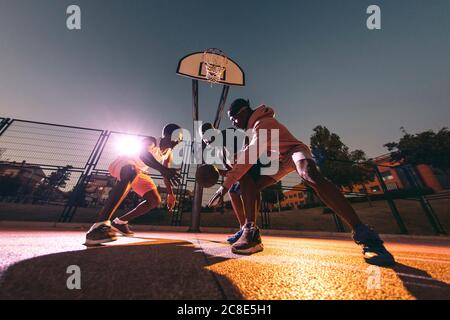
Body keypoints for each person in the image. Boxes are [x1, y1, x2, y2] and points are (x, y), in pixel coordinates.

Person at [208, 99, 395, 266]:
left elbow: (249, 156)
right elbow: (244, 161)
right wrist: (226, 174)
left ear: (242, 111)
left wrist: (224, 186)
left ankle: (366, 236)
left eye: (233, 118)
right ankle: (250, 231)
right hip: (279, 162)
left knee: (310, 176)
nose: (233, 122)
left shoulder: (263, 123)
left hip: (294, 151)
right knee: (245, 182)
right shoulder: (250, 131)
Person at [85, 124, 182, 246]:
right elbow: (143, 154)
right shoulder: (151, 141)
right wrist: (163, 169)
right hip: (124, 163)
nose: (178, 142)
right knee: (132, 170)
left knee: (154, 200)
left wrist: (171, 194)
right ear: (167, 136)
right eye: (177, 138)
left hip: (139, 171)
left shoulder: (168, 152)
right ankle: (99, 226)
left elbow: (166, 173)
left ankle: (120, 222)